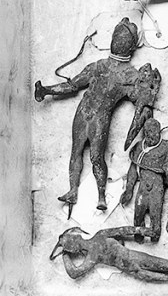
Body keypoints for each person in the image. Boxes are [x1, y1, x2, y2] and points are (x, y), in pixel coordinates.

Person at [35, 18, 160, 214]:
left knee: (95, 157)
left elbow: (141, 101)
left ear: (130, 46)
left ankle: (101, 196)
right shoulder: (99, 66)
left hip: (99, 118)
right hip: (84, 112)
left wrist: (145, 104)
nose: (119, 41)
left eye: (123, 38)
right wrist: (47, 90)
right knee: (77, 152)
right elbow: (73, 85)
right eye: (119, 37)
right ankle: (73, 191)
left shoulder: (130, 75)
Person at [49, 226, 168, 292]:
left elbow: (74, 273)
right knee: (167, 269)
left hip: (134, 263)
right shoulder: (96, 244)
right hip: (134, 267)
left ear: (76, 249)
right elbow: (124, 230)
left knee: (167, 270)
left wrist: (65, 256)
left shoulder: (93, 255)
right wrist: (143, 231)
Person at [120, 117, 168, 245]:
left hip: (157, 186)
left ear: (158, 132)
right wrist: (129, 190)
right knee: (138, 213)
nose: (150, 136)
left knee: (155, 215)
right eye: (147, 132)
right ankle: (138, 235)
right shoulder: (139, 146)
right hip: (142, 186)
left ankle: (154, 235)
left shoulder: (167, 148)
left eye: (153, 132)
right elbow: (133, 169)